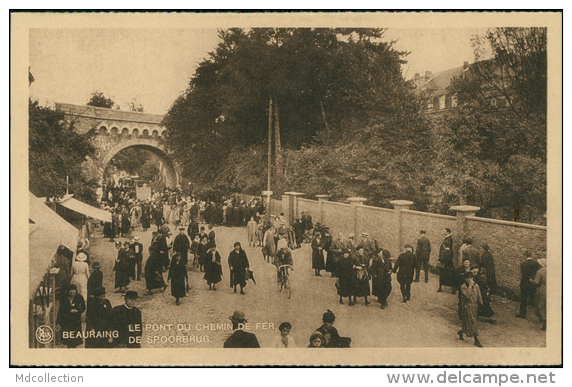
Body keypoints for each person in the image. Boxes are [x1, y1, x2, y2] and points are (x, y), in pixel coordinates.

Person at [458, 272, 484, 347]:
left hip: (474, 306)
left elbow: (479, 295)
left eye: (472, 278)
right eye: (469, 278)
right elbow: (467, 296)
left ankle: (461, 331)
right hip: (467, 306)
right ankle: (476, 339)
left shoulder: (476, 286)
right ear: (465, 279)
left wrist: (481, 304)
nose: (471, 280)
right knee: (473, 322)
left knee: (468, 322)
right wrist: (469, 286)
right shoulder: (463, 286)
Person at [516, 250, 541, 319]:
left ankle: (522, 314)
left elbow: (524, 275)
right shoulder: (536, 264)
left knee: (523, 299)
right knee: (534, 299)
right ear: (531, 256)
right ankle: (540, 316)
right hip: (532, 283)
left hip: (525, 283)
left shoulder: (523, 264)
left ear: (526, 256)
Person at [534, 258, 547, 331]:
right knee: (546, 305)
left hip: (542, 289)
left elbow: (537, 282)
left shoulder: (540, 272)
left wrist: (532, 281)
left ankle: (543, 320)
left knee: (540, 304)